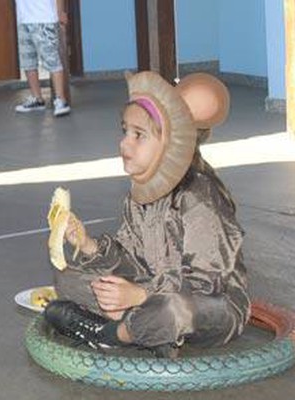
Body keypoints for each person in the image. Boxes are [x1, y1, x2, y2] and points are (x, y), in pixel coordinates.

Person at [43, 71, 250, 358]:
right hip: (151, 290)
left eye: (138, 135)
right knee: (66, 277)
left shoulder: (199, 195)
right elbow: (130, 259)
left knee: (172, 311)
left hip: (211, 306)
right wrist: (89, 245)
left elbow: (206, 284)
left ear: (171, 145)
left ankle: (111, 334)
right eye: (124, 130)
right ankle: (142, 329)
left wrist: (141, 296)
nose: (124, 143)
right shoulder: (140, 192)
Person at [14, 0, 70, 117]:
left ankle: (61, 100)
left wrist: (60, 12)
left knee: (52, 59)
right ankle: (37, 98)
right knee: (28, 60)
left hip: (44, 19)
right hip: (23, 19)